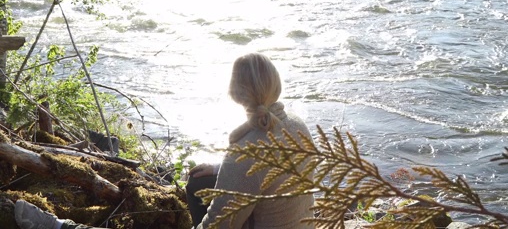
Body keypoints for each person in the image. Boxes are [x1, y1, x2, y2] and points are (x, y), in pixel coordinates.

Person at [14, 53, 315, 229]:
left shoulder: (246, 149)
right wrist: (221, 168)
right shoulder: (295, 123)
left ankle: (58, 227)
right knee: (198, 183)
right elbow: (267, 173)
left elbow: (220, 225)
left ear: (236, 91)